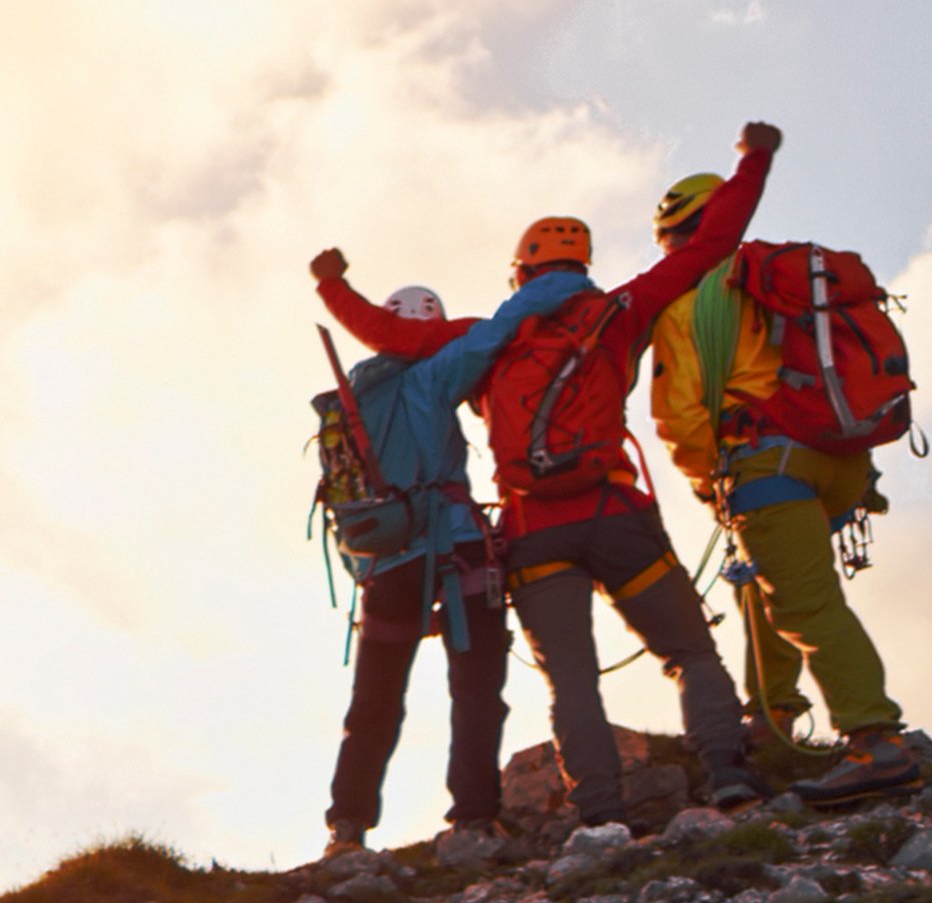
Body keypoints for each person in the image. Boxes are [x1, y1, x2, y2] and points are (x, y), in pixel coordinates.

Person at [312, 122, 783, 827]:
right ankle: (726, 772)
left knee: (572, 680)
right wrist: (753, 161)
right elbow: (711, 247)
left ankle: (598, 816)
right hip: (618, 516)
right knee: (689, 650)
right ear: (583, 265)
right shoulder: (621, 312)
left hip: (535, 534)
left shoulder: (488, 337)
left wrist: (332, 285)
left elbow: (390, 338)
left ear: (521, 274)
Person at [647, 172, 924, 807]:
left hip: (767, 462)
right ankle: (772, 712)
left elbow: (681, 417)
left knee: (804, 605)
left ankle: (873, 738)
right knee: (769, 579)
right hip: (840, 461)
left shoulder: (689, 303)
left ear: (679, 236)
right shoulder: (782, 280)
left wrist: (706, 482)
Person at [318, 278, 578, 857]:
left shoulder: (353, 395)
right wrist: (564, 283)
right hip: (457, 549)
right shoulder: (434, 374)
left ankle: (347, 828)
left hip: (385, 565)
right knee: (477, 688)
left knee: (375, 701)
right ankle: (476, 818)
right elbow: (499, 329)